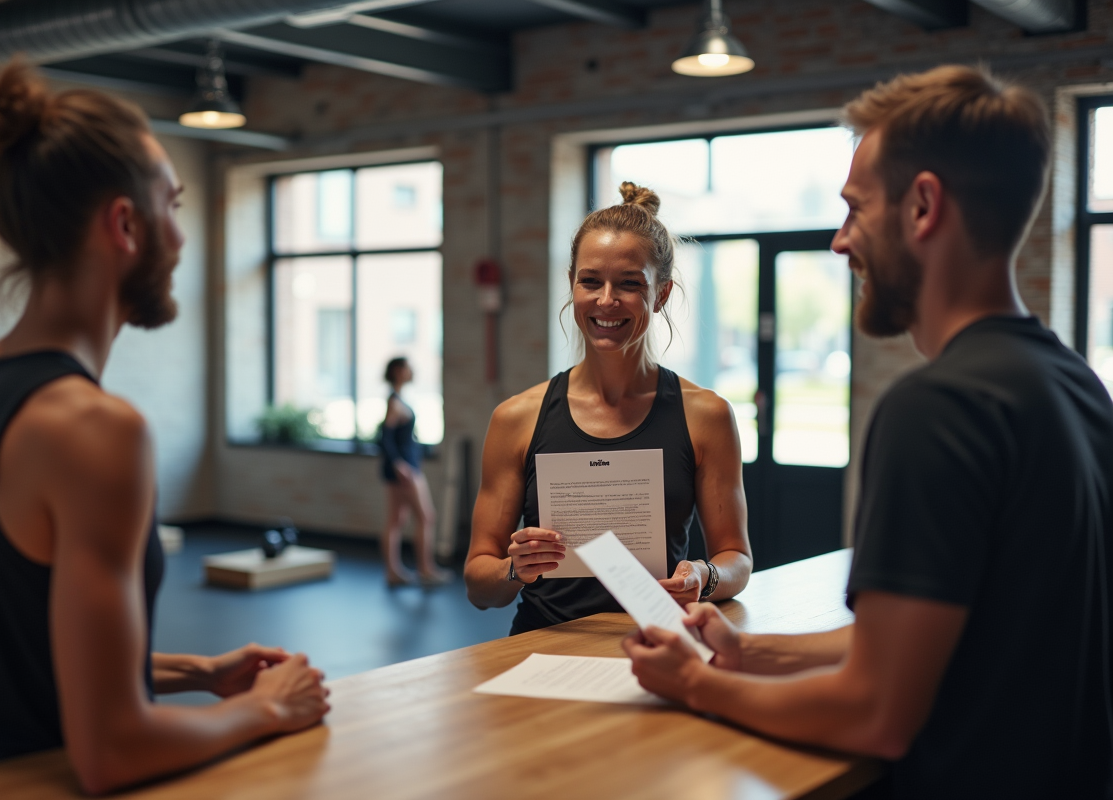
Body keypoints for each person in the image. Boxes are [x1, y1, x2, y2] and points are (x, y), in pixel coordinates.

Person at [623, 65, 1113, 799]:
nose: (839, 240)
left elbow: (875, 711)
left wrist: (696, 684)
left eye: (856, 208)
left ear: (922, 206)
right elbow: (924, 639)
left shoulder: (940, 408)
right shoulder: (1076, 386)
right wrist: (744, 651)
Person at [0, 63, 329, 792]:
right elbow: (112, 750)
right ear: (125, 224)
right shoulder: (97, 429)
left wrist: (199, 672)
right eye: (173, 204)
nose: (182, 235)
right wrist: (267, 709)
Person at [464, 182, 753, 634]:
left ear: (660, 295)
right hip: (544, 646)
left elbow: (736, 558)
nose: (605, 300)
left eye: (630, 284)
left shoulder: (706, 416)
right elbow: (479, 587)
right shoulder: (516, 418)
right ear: (573, 287)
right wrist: (516, 569)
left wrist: (702, 575)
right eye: (590, 281)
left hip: (659, 640)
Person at [378, 356, 449, 586]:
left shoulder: (397, 400)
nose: (412, 371)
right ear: (399, 371)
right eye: (408, 367)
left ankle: (393, 572)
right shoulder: (395, 402)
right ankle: (425, 570)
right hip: (405, 470)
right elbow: (384, 438)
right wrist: (399, 463)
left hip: (405, 466)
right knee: (426, 516)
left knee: (396, 519)